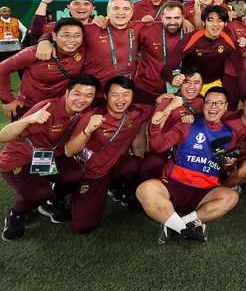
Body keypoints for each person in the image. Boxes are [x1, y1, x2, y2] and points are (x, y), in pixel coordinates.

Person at [0, 74, 100, 241]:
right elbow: (2, 136)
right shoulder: (47, 108)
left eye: (89, 95)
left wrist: (88, 129)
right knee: (38, 193)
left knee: (75, 176)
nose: (82, 99)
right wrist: (29, 119)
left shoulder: (86, 113)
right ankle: (15, 215)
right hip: (18, 159)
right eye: (77, 93)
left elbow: (69, 150)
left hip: (52, 155)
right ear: (66, 93)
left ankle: (52, 202)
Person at [137, 86, 239, 244]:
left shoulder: (230, 134)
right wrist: (155, 126)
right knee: (144, 189)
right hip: (175, 184)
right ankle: (185, 230)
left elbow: (226, 167)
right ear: (203, 105)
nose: (213, 106)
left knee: (231, 197)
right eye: (209, 102)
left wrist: (229, 164)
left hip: (205, 191)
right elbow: (158, 146)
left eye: (219, 103)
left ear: (226, 107)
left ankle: (174, 224)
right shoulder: (187, 124)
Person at [65, 77, 150, 234]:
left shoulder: (137, 112)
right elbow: (69, 150)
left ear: (132, 96)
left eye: (126, 94)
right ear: (105, 96)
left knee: (136, 163)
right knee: (83, 226)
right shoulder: (91, 115)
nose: (120, 99)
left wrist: (167, 101)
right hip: (93, 174)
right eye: (115, 94)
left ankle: (129, 194)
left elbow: (158, 108)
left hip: (116, 166)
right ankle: (77, 193)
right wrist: (88, 130)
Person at [0, 19, 85, 121]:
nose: (72, 40)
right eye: (66, 35)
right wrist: (8, 100)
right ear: (54, 36)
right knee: (17, 136)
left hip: (61, 108)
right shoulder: (33, 53)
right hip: (30, 108)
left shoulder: (83, 50)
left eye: (77, 36)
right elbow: (2, 69)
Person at [162, 5, 246, 99]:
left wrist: (245, 97)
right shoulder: (190, 39)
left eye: (220, 20)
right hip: (191, 86)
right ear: (203, 22)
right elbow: (166, 70)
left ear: (225, 23)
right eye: (210, 20)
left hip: (214, 85)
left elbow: (240, 70)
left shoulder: (229, 41)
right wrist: (172, 79)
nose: (215, 24)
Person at [138, 67, 205, 182]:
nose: (191, 87)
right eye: (186, 82)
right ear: (179, 84)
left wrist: (194, 117)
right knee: (153, 163)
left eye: (196, 83)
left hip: (187, 148)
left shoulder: (202, 101)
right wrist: (169, 108)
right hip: (163, 146)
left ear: (203, 85)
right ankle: (143, 186)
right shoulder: (167, 100)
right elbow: (150, 130)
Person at [29, 0, 96, 38]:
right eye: (76, 4)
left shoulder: (99, 27)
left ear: (93, 9)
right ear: (68, 7)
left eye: (86, 4)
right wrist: (44, 2)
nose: (81, 7)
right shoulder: (60, 26)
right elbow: (37, 32)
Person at [0, 7, 26, 77]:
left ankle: (25, 86)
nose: (7, 13)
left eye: (8, 11)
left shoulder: (16, 21)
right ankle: (4, 87)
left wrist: (22, 41)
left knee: (20, 68)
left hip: (15, 49)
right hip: (1, 50)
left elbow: (25, 31)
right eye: (4, 11)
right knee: (2, 69)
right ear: (0, 13)